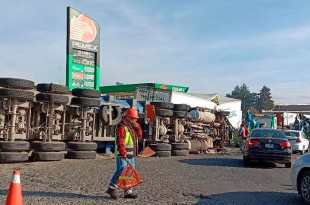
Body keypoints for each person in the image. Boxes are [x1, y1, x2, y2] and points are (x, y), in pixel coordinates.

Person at [106, 108, 143, 200]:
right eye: (134, 118)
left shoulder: (131, 128)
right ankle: (111, 188)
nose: (136, 120)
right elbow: (120, 141)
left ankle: (128, 191)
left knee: (129, 173)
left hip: (130, 155)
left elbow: (139, 136)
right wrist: (123, 152)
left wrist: (137, 126)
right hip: (122, 155)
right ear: (129, 118)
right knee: (121, 171)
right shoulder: (122, 127)